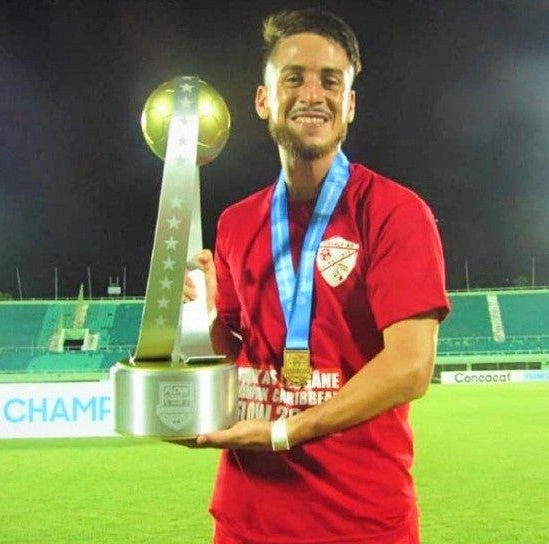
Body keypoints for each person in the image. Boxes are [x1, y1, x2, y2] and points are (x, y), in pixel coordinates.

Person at [189, 9, 450, 544]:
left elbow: (411, 366)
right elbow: (234, 355)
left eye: (331, 81)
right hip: (246, 519)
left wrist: (285, 432)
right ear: (264, 100)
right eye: (293, 78)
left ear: (349, 104)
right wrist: (204, 318)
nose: (313, 93)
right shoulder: (236, 222)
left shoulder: (394, 213)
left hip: (358, 522)